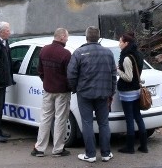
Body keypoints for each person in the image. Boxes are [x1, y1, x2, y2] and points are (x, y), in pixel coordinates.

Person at [67, 26, 116, 163]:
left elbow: (71, 74)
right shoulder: (108, 53)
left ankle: (90, 154)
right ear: (98, 37)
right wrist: (111, 92)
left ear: (86, 37)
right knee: (104, 123)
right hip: (103, 94)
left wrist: (75, 88)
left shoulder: (79, 53)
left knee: (87, 123)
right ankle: (106, 153)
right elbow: (113, 74)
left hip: (85, 93)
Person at [31, 28, 73, 158]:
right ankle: (58, 149)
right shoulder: (66, 54)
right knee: (60, 119)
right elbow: (69, 75)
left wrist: (46, 81)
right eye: (66, 37)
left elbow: (40, 70)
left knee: (45, 118)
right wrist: (70, 87)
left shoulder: (44, 50)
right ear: (61, 37)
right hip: (62, 91)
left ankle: (39, 148)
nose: (67, 39)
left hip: (48, 89)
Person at [116, 32, 149, 154]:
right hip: (136, 90)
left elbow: (128, 77)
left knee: (129, 119)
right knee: (138, 117)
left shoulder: (126, 58)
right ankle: (144, 146)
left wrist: (117, 70)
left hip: (127, 92)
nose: (119, 43)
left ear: (126, 43)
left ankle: (130, 147)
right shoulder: (138, 54)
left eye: (120, 41)